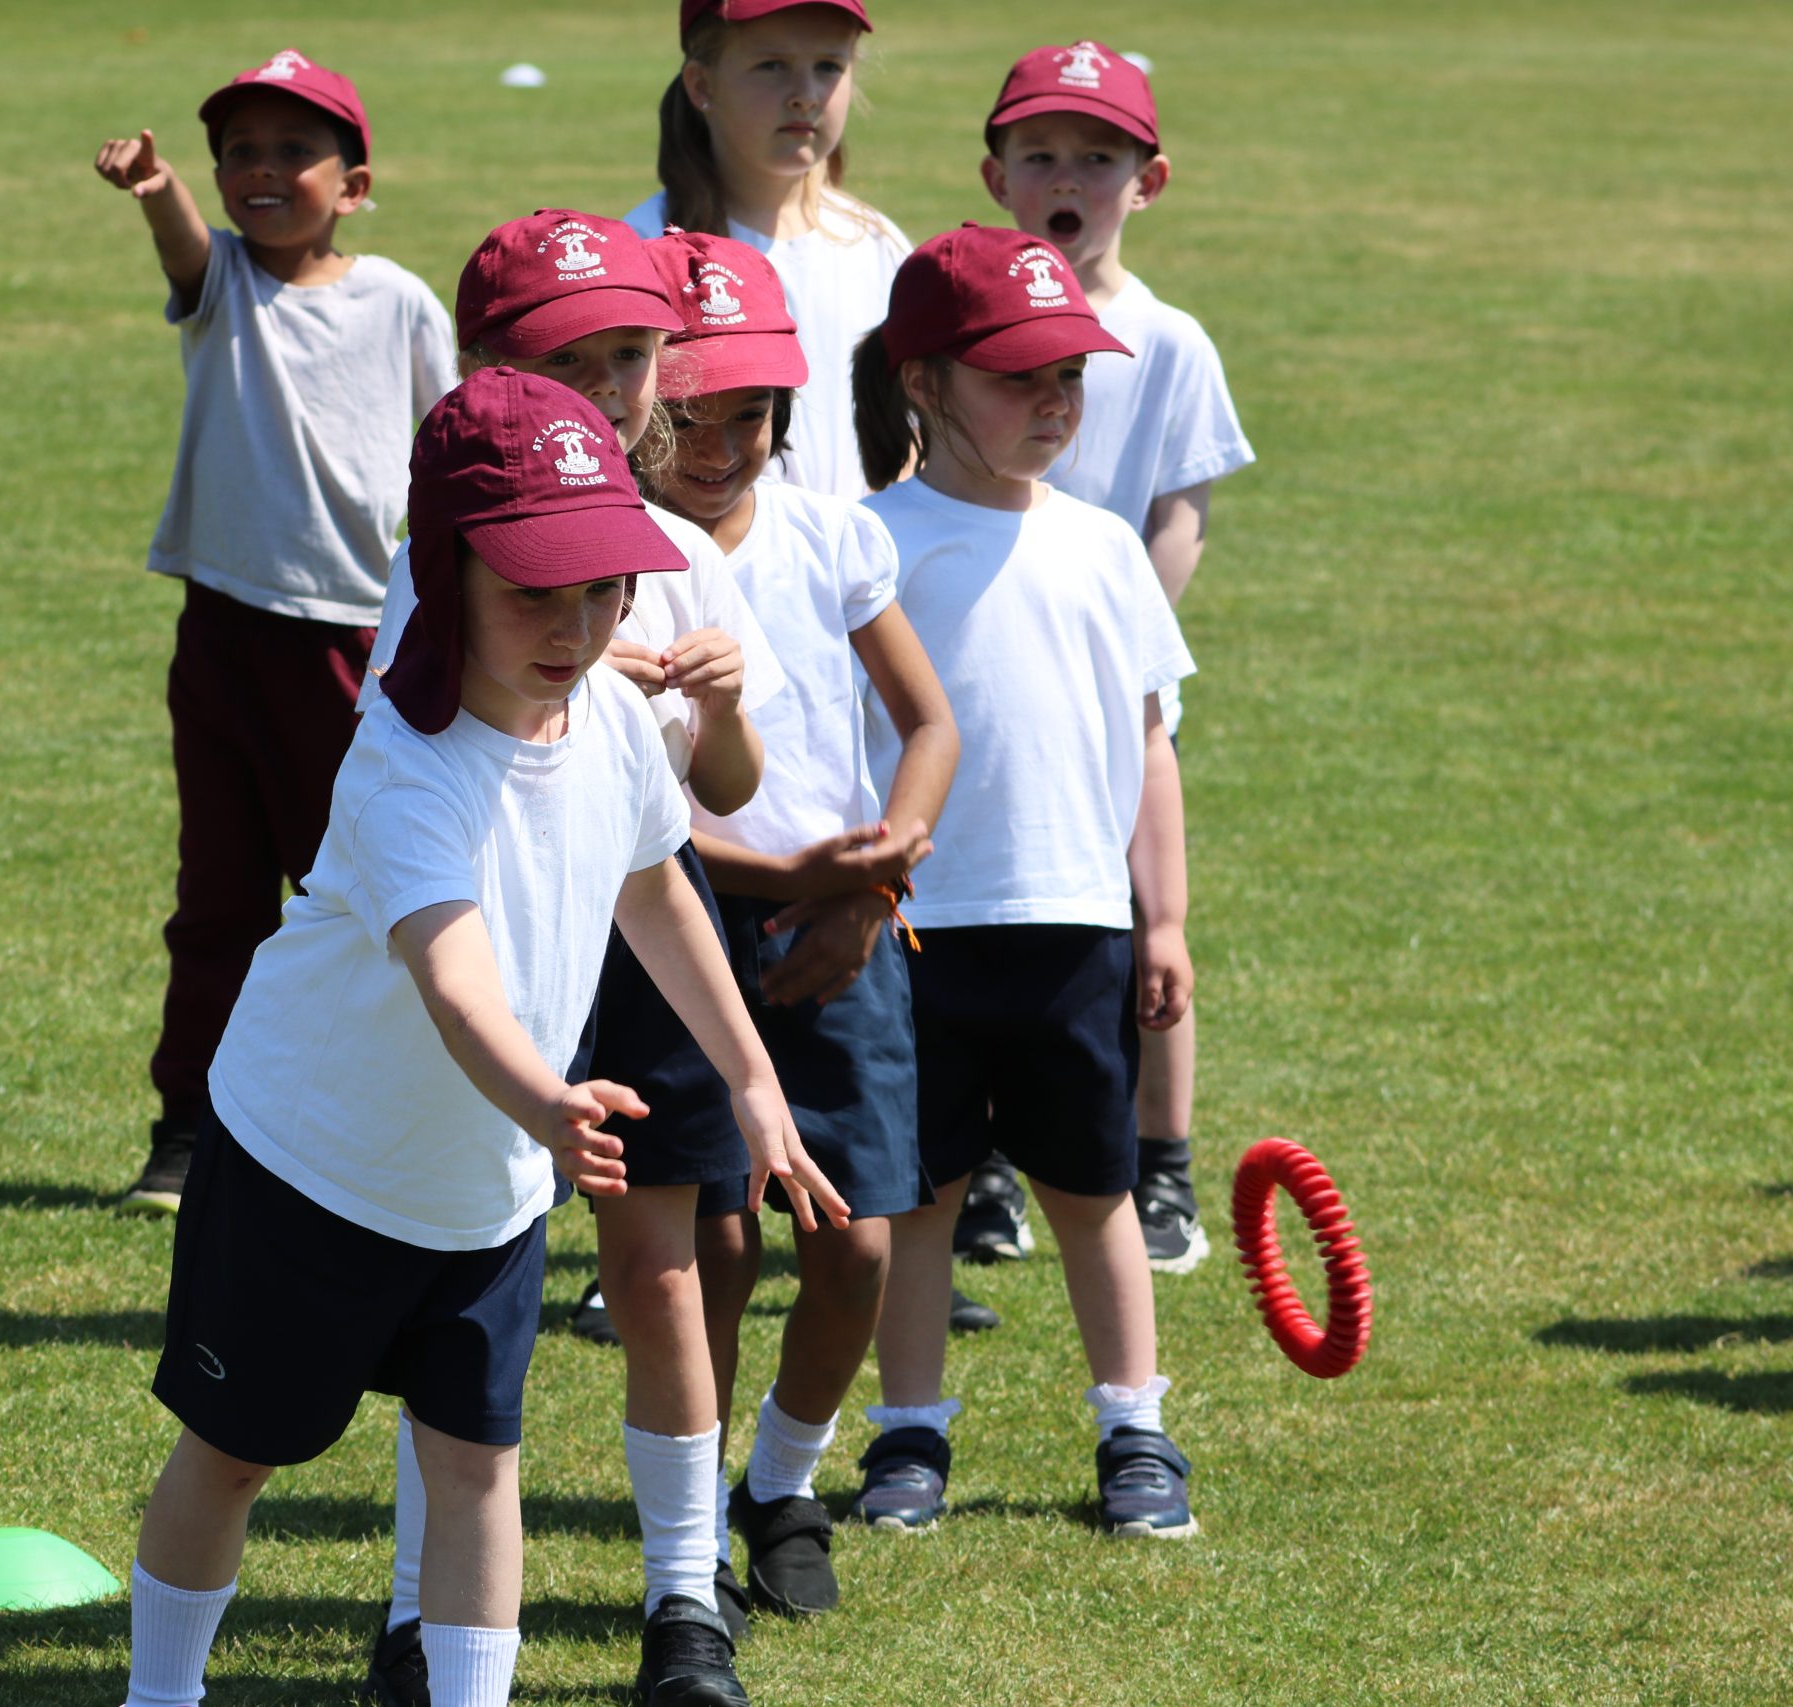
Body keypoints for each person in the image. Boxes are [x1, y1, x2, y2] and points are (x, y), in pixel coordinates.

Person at [122, 367, 842, 1707]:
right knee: (233, 1454)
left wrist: (752, 1081)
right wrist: (546, 1101)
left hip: (481, 1195)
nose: (574, 626)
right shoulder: (405, 763)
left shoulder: (615, 718)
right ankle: (160, 1693)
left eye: (602, 589)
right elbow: (456, 987)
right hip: (308, 1166)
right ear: (444, 575)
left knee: (474, 1468)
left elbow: (655, 893)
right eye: (531, 591)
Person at [358, 210, 808, 1707]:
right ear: (486, 367)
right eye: (573, 362)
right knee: (457, 1295)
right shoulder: (451, 543)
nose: (613, 390)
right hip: (493, 951)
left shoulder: (680, 551)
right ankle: (419, 1615)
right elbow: (411, 719)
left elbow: (717, 798)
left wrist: (719, 700)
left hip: (644, 944)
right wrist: (578, 651)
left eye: (633, 355)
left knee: (660, 1273)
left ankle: (685, 1598)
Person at [852, 226, 1201, 1538]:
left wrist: (1163, 917)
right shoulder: (869, 542)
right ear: (924, 381)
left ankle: (1134, 1428)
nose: (1055, 401)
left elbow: (1149, 743)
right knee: (920, 1197)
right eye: (1017, 377)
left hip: (1075, 925)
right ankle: (909, 1432)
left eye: (1070, 376)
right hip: (915, 928)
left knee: (1092, 1190)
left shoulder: (1106, 547)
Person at [635, 229, 958, 1624]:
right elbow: (638, 815)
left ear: (790, 403)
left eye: (749, 413)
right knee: (713, 1250)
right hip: (681, 930)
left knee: (857, 1244)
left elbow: (929, 726)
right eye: (686, 414)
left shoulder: (835, 534)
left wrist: (874, 886)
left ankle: (780, 1483)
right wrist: (788, 881)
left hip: (847, 935)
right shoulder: (614, 563)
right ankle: (692, 1525)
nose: (718, 446)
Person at [93, 49, 457, 1215]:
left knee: (355, 891)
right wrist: (158, 191)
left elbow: (447, 449)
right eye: (239, 152)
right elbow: (183, 250)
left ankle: (395, 1112)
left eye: (293, 151)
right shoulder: (225, 287)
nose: (262, 170)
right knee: (218, 895)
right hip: (220, 633)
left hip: (348, 640)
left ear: (354, 185)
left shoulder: (396, 301)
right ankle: (189, 1128)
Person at [968, 40, 1257, 1273]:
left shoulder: (1168, 341)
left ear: (1150, 181)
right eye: (1039, 155)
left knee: (1144, 923)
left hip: (1117, 688)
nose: (1066, 178)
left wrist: (1118, 639)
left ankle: (1161, 1166)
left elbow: (1179, 514)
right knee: (986, 917)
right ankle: (982, 1164)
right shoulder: (961, 323)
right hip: (980, 679)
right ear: (996, 177)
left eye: (1097, 157)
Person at [621, 0, 909, 503]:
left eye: (829, 66)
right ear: (701, 84)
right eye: (772, 65)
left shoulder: (877, 243)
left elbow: (914, 426)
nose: (805, 95)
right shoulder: (642, 251)